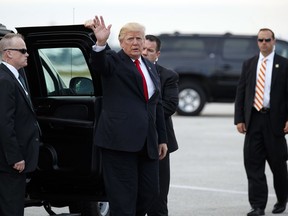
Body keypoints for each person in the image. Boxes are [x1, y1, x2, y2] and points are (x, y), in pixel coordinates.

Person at [84, 16, 168, 216]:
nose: (136, 43)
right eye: (130, 39)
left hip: (147, 142)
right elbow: (98, 63)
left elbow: (155, 105)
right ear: (121, 42)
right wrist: (101, 43)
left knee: (150, 193)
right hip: (119, 143)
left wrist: (162, 138)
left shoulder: (149, 67)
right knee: (123, 197)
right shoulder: (113, 60)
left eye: (139, 38)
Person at [234, 28, 288, 216]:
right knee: (253, 164)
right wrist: (239, 118)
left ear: (274, 42)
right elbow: (241, 91)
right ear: (257, 42)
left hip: (276, 121)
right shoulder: (249, 64)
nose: (264, 43)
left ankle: (282, 199)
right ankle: (258, 206)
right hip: (253, 119)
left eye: (267, 40)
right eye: (260, 40)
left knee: (278, 165)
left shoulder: (284, 64)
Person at [0, 33, 40, 216]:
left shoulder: (15, 76)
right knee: (11, 208)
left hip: (13, 160)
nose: (27, 54)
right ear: (8, 53)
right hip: (8, 162)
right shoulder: (4, 80)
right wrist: (15, 157)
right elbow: (4, 123)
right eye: (22, 51)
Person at [142, 34, 179, 216]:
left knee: (158, 195)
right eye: (143, 48)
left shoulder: (168, 76)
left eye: (150, 50)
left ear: (157, 54)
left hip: (159, 141)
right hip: (133, 141)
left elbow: (170, 106)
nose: (145, 52)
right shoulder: (129, 71)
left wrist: (140, 114)